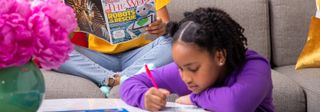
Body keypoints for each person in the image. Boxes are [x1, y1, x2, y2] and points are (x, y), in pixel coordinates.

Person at [120, 8, 274, 112]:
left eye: (193, 69)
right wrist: (144, 97)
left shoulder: (255, 65)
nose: (185, 78)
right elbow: (129, 84)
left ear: (219, 56)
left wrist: (193, 98)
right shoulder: (186, 72)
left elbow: (236, 104)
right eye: (180, 68)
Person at [56, 0, 173, 96]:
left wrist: (162, 27)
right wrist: (70, 23)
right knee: (55, 49)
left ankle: (115, 80)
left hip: (138, 56)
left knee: (174, 40)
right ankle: (116, 79)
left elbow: (167, 27)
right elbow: (67, 38)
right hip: (99, 59)